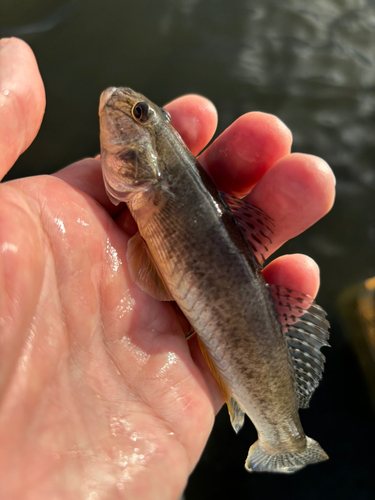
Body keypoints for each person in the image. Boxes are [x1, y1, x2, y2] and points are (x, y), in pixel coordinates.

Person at [0, 38, 335, 499]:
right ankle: (282, 433)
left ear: (152, 153)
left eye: (140, 116)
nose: (120, 104)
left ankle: (281, 435)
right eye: (141, 113)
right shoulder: (150, 188)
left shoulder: (155, 187)